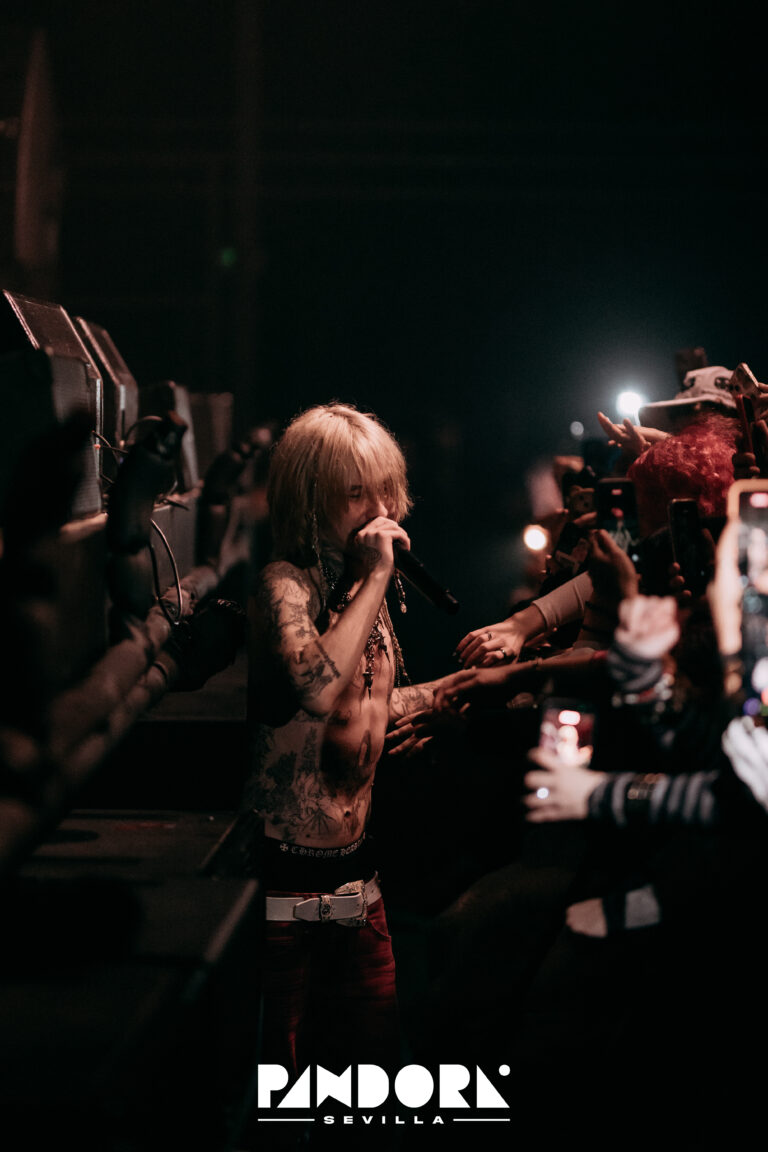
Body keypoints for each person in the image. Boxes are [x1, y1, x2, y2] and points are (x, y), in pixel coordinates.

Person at [243, 402, 449, 1077]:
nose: (378, 511)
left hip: (359, 880)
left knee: (375, 1066)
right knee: (282, 1079)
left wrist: (464, 691)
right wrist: (377, 576)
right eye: (356, 493)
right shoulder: (285, 585)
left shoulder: (363, 591)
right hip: (283, 885)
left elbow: (364, 707)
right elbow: (317, 689)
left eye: (385, 490)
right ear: (312, 497)